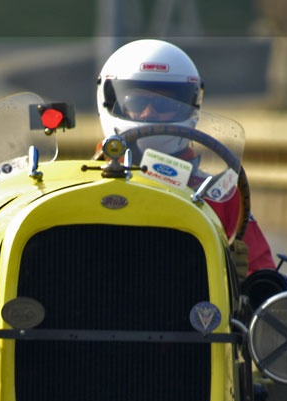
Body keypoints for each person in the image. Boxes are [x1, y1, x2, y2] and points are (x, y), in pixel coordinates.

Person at [95, 39, 277, 278]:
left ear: (190, 105)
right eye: (137, 102)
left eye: (164, 103)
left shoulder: (219, 195)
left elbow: (264, 276)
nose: (150, 113)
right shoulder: (81, 185)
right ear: (109, 101)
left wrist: (242, 279)